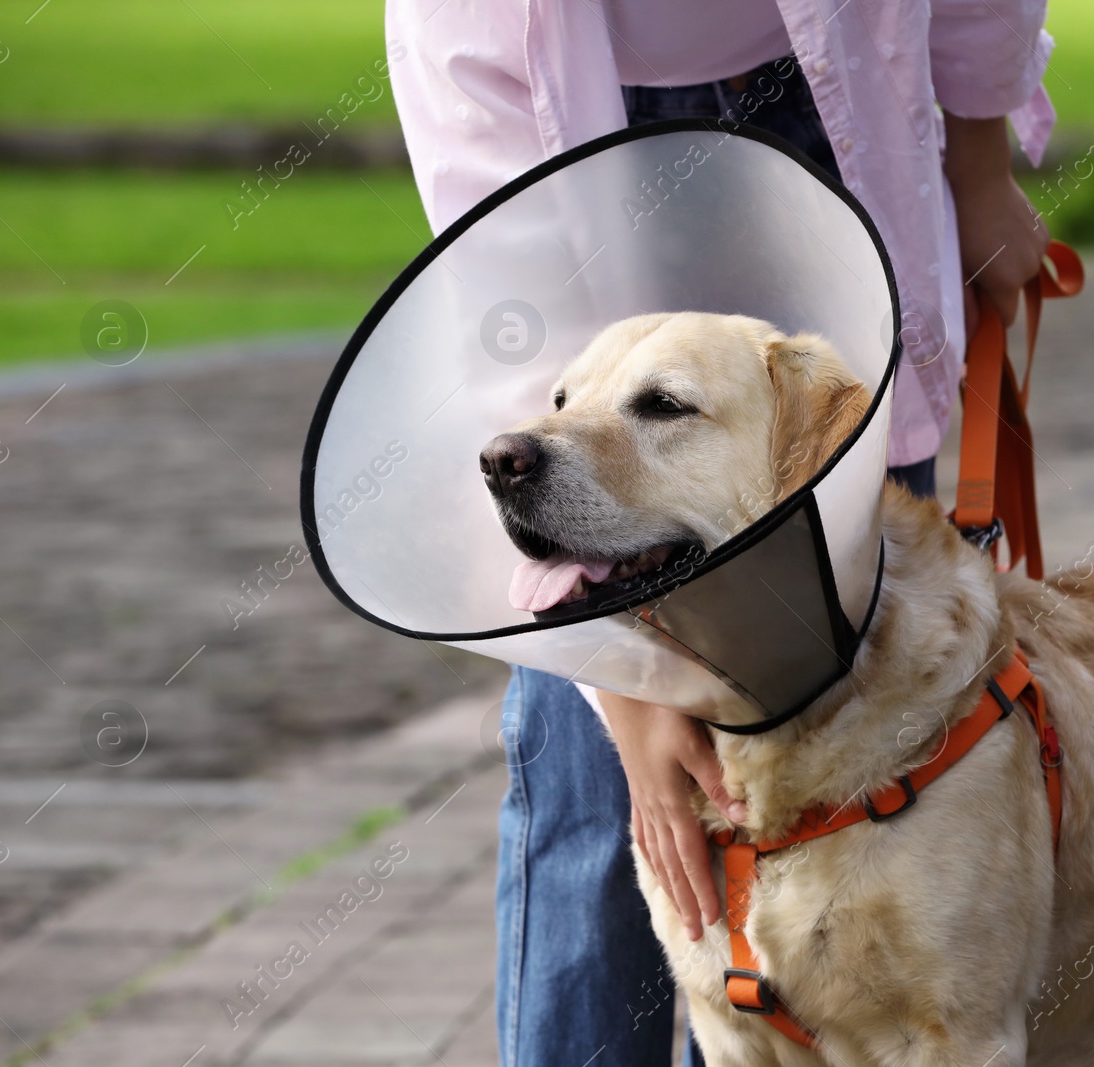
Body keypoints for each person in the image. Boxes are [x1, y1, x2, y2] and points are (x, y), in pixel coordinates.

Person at [384, 2, 1056, 1062]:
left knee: (889, 779)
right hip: (574, 153)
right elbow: (533, 381)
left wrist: (976, 165)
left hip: (842, 123)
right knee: (604, 803)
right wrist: (623, 683)